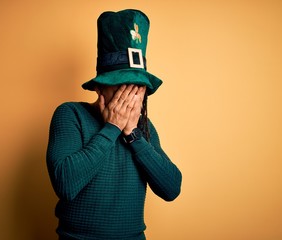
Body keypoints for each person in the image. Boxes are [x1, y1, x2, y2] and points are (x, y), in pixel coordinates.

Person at [46, 9, 182, 240]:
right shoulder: (70, 114)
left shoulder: (144, 129)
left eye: (135, 86)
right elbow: (66, 185)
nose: (128, 94)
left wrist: (132, 134)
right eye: (119, 84)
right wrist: (112, 128)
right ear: (99, 87)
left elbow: (171, 189)